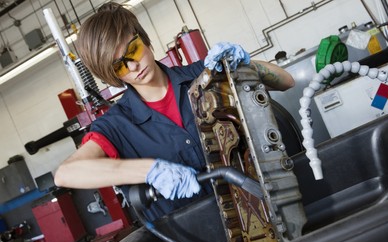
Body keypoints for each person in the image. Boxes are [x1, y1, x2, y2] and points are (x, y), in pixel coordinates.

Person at [54, 2, 295, 221]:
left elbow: (286, 81)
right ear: (110, 73)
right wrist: (150, 170)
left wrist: (244, 64)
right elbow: (66, 174)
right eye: (119, 65)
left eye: (134, 50)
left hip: (265, 214)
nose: (133, 66)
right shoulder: (116, 127)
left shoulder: (205, 75)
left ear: (145, 39)